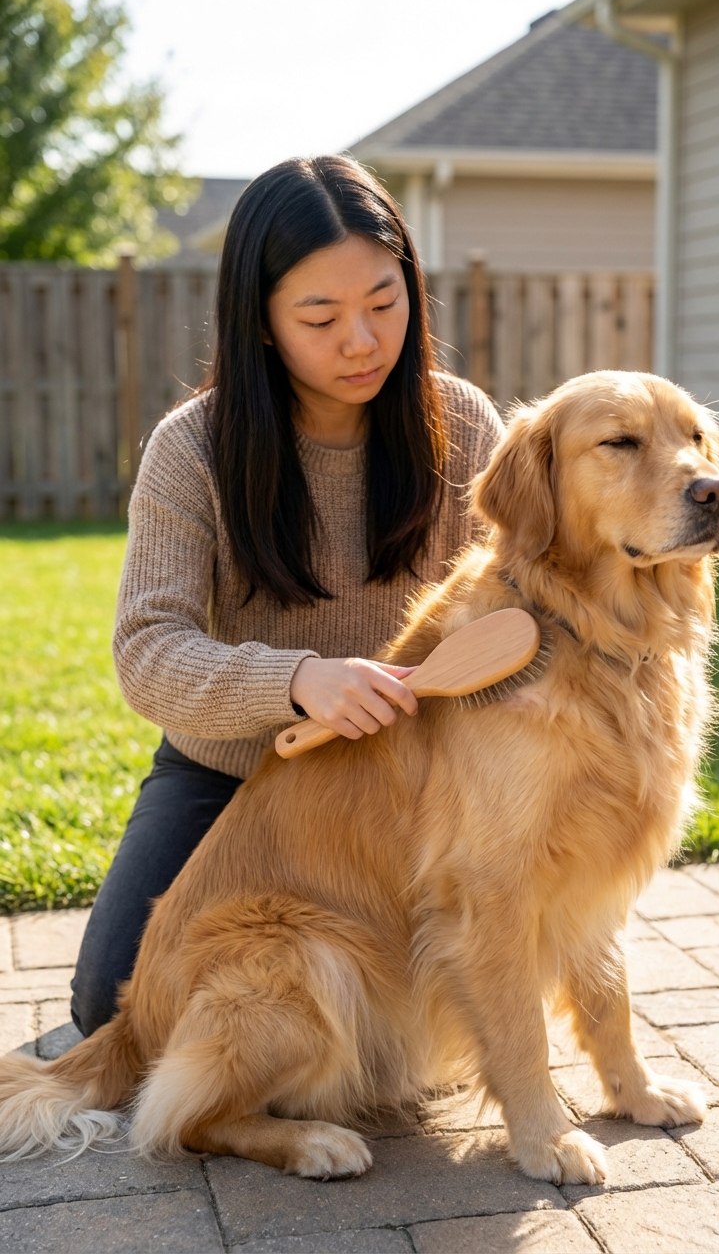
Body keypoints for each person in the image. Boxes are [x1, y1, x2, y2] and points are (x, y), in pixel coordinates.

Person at [70, 155, 505, 1037]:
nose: (362, 340)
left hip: (405, 778)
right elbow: (148, 650)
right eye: (321, 316)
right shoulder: (192, 448)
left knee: (429, 976)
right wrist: (300, 679)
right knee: (114, 1008)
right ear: (261, 323)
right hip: (228, 773)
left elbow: (509, 606)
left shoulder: (461, 425)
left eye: (385, 303)